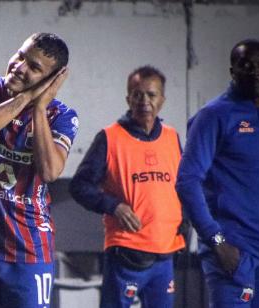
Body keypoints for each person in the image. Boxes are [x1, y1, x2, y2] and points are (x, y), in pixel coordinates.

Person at [0, 32, 78, 308]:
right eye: (20, 56)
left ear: (51, 81)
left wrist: (39, 107)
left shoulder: (62, 116)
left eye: (34, 68)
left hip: (28, 253)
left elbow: (49, 171)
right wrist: (25, 98)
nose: (19, 67)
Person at [176, 39, 259, 307]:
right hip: (234, 254)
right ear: (232, 70)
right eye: (246, 65)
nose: (255, 71)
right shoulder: (213, 116)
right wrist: (217, 242)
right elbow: (187, 182)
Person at [69, 66, 186, 308]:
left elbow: (184, 187)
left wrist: (184, 227)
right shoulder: (110, 137)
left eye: (151, 95)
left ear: (162, 99)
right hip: (126, 253)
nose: (144, 101)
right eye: (137, 94)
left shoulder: (172, 137)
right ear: (128, 99)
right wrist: (114, 207)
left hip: (165, 254)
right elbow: (79, 185)